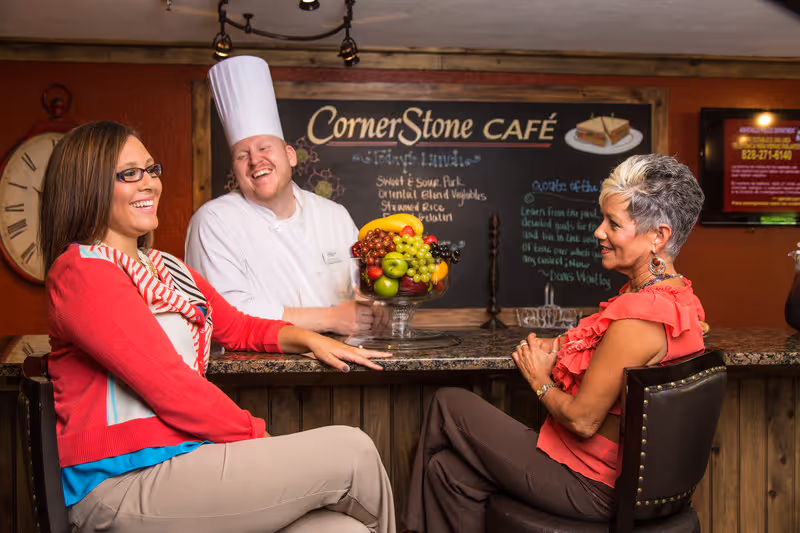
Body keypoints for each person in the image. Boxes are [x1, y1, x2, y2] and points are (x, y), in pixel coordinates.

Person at [39, 120, 396, 533]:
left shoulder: (167, 268)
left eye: (151, 170)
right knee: (354, 451)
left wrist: (310, 339)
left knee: (341, 531)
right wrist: (258, 436)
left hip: (186, 461)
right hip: (119, 484)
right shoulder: (83, 271)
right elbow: (170, 388)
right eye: (129, 173)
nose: (150, 184)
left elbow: (239, 327)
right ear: (88, 186)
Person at [403, 154, 706, 532]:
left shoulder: (637, 317)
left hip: (593, 484)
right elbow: (612, 347)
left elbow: (582, 421)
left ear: (658, 237)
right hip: (628, 481)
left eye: (613, 223)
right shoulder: (679, 299)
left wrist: (539, 380)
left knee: (448, 403)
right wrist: (566, 344)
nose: (599, 231)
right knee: (447, 472)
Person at [185, 55, 376, 335]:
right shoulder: (214, 221)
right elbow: (223, 312)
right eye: (242, 155)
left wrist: (378, 309)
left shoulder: (334, 215)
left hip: (344, 363)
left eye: (264, 148)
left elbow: (361, 287)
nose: (255, 161)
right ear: (235, 169)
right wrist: (332, 318)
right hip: (257, 373)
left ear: (290, 155)